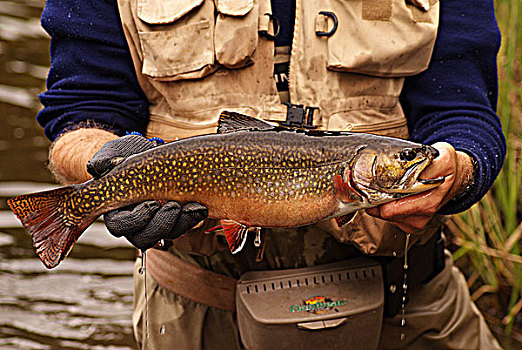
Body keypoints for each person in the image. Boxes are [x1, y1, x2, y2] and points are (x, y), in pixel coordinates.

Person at [37, 0, 506, 348]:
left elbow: (464, 110)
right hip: (196, 310)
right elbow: (81, 110)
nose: (410, 162)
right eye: (405, 160)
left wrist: (459, 170)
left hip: (406, 301)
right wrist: (107, 166)